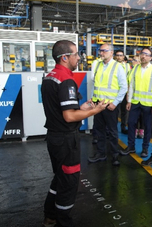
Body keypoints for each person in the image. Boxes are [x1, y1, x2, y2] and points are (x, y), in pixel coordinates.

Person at [41, 40, 108, 227]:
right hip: (66, 141)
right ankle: (64, 222)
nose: (78, 58)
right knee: (69, 182)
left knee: (59, 178)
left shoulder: (50, 77)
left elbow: (62, 110)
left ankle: (50, 216)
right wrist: (94, 111)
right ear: (65, 57)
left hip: (54, 138)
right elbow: (70, 116)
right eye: (76, 54)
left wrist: (81, 107)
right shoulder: (66, 80)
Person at [88, 44, 127, 166]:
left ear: (111, 52)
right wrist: (94, 101)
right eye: (100, 51)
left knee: (112, 132)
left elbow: (123, 87)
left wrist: (115, 103)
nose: (101, 53)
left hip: (110, 106)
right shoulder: (98, 65)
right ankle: (101, 154)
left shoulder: (118, 67)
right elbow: (96, 85)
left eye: (104, 51)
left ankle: (114, 155)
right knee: (99, 131)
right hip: (98, 104)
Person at [120, 47, 152, 157]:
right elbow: (131, 86)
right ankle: (131, 146)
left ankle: (145, 148)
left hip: (148, 104)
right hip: (135, 102)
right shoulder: (135, 69)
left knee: (147, 126)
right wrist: (129, 101)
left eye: (146, 54)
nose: (143, 56)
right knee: (131, 123)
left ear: (151, 58)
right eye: (142, 53)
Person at [115, 49, 131, 134]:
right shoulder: (112, 65)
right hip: (115, 92)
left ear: (123, 57)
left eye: (121, 55)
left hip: (124, 92)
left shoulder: (128, 66)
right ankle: (113, 127)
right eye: (117, 55)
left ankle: (123, 127)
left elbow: (129, 79)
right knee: (115, 110)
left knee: (125, 111)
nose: (119, 57)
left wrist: (128, 92)